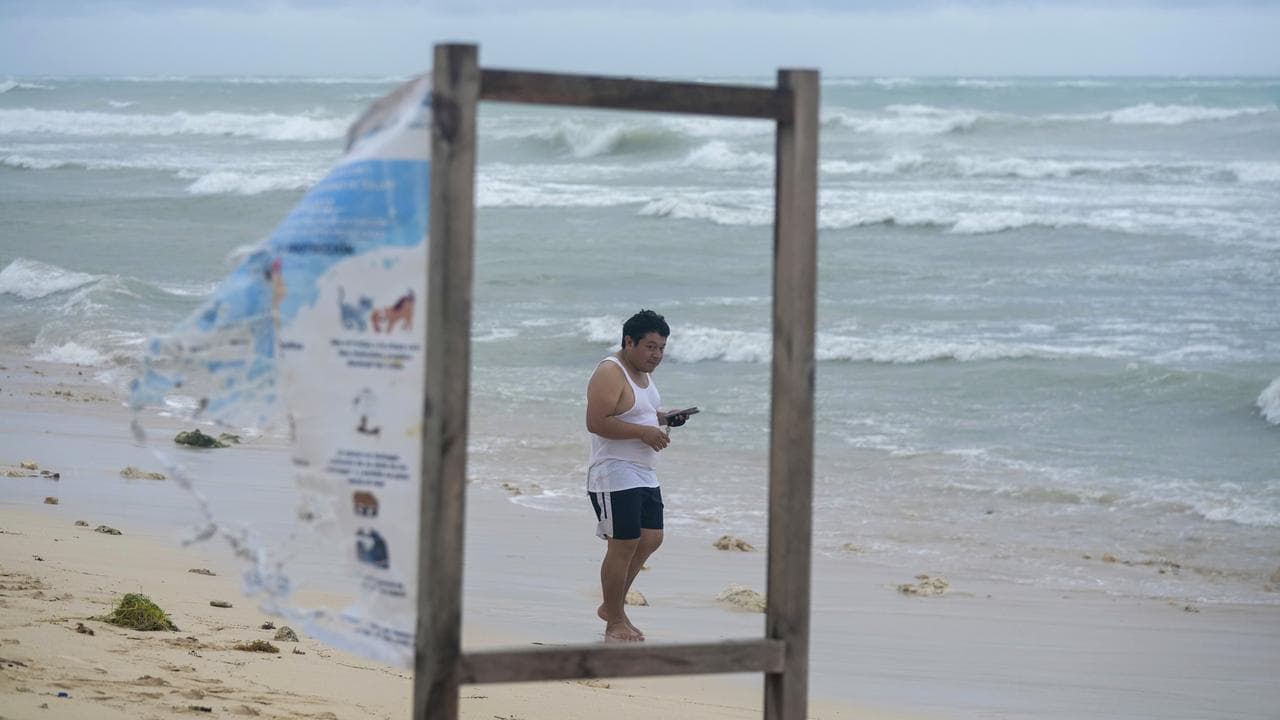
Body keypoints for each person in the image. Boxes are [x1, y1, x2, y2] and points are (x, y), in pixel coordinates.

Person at [585, 309, 692, 642]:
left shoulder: (643, 374)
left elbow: (638, 412)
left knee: (651, 539)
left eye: (661, 347)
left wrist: (662, 418)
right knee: (624, 543)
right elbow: (597, 422)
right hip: (613, 472)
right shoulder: (610, 372)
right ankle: (614, 618)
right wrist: (644, 434)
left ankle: (611, 606)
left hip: (644, 472)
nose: (656, 354)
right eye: (650, 346)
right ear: (628, 342)